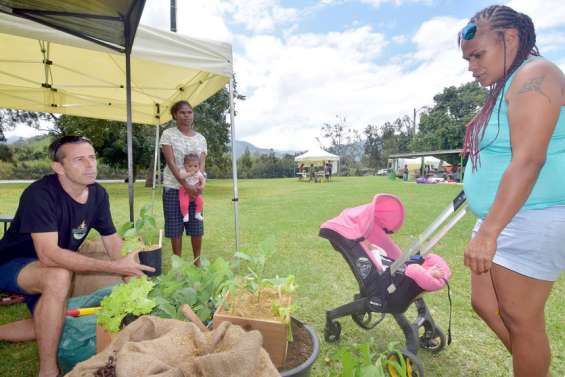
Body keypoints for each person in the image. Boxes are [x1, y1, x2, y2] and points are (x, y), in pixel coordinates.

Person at [459, 5, 565, 377]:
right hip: (504, 217)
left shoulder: (538, 75)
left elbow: (530, 159)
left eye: (477, 55)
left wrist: (489, 233)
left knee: (523, 321)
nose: (472, 67)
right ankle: (533, 366)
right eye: (467, 59)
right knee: (486, 305)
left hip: (534, 216)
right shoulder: (509, 85)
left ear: (510, 38)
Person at [0, 135, 152, 377]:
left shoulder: (98, 194)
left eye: (92, 157)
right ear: (58, 167)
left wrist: (132, 275)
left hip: (47, 266)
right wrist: (116, 269)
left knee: (46, 325)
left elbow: (111, 239)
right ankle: (48, 371)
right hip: (12, 263)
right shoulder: (39, 194)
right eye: (79, 159)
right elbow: (49, 255)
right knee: (59, 276)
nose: (90, 165)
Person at [160, 100, 207, 265]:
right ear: (174, 115)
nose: (186, 116)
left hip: (195, 189)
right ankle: (178, 264)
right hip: (173, 187)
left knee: (196, 225)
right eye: (182, 112)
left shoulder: (201, 138)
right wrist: (185, 184)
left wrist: (200, 184)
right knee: (174, 226)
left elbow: (201, 164)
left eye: (189, 112)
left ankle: (197, 262)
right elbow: (171, 162)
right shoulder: (168, 134)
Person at [178, 153, 206, 223]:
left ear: (199, 166)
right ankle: (185, 214)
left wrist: (202, 186)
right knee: (184, 203)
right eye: (190, 166)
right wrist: (189, 174)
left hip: (195, 189)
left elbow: (203, 180)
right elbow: (181, 176)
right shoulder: (183, 171)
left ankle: (198, 213)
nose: (193, 168)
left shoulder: (198, 173)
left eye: (195, 166)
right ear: (185, 166)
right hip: (184, 190)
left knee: (200, 201)